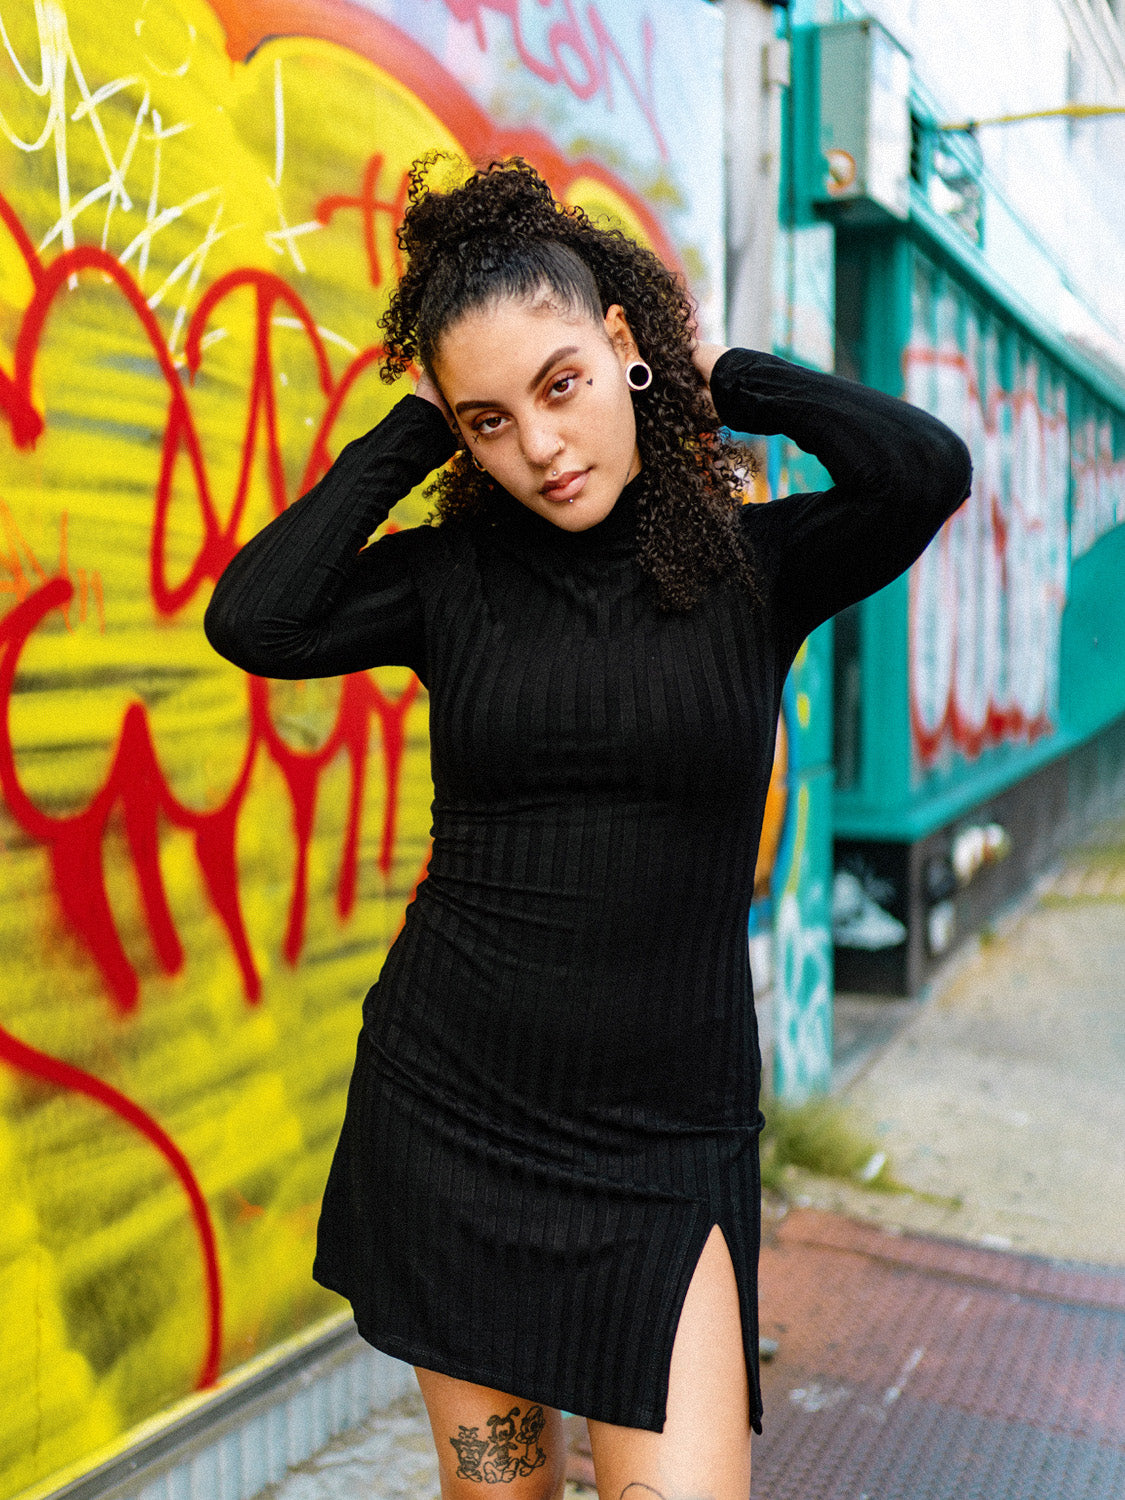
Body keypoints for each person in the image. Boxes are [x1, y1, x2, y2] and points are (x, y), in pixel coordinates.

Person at [205, 156, 971, 1500]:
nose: (540, 449)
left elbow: (921, 470)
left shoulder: (753, 566)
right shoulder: (453, 580)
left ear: (617, 347)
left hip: (662, 1150)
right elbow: (254, 619)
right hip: (452, 1118)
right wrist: (412, 434)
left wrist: (708, 367)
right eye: (490, 422)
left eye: (559, 386)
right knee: (500, 1494)